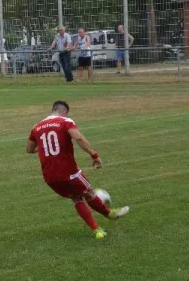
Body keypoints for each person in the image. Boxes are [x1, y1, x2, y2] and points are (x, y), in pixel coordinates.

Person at [26, 100, 130, 239]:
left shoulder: (37, 127)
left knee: (76, 198)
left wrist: (46, 146)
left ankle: (97, 230)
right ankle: (109, 214)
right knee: (89, 192)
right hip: (68, 172)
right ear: (65, 112)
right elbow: (79, 138)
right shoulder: (65, 121)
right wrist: (94, 155)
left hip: (50, 176)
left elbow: (29, 149)